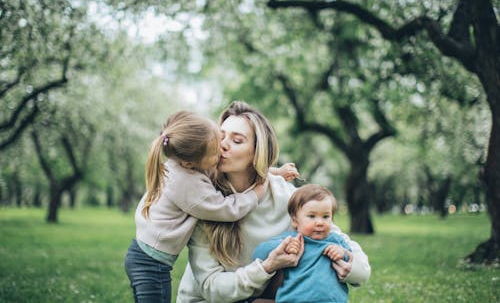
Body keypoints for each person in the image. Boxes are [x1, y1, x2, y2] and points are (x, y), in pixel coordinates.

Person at [176, 101, 371, 303]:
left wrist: (352, 268)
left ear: (257, 152)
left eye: (237, 140)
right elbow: (211, 288)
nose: (223, 145)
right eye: (221, 136)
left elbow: (346, 249)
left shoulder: (285, 195)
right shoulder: (205, 200)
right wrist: (268, 266)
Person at [124, 110, 270, 303]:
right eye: (215, 151)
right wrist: (255, 194)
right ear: (189, 163)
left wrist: (271, 172)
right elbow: (225, 209)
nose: (222, 149)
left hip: (143, 255)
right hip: (151, 264)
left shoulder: (181, 166)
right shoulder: (187, 184)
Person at [252, 184, 352, 303]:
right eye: (312, 216)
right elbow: (258, 253)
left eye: (326, 216)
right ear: (295, 221)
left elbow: (350, 259)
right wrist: (283, 246)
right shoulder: (290, 239)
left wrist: (342, 253)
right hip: (294, 299)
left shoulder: (335, 240)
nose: (319, 222)